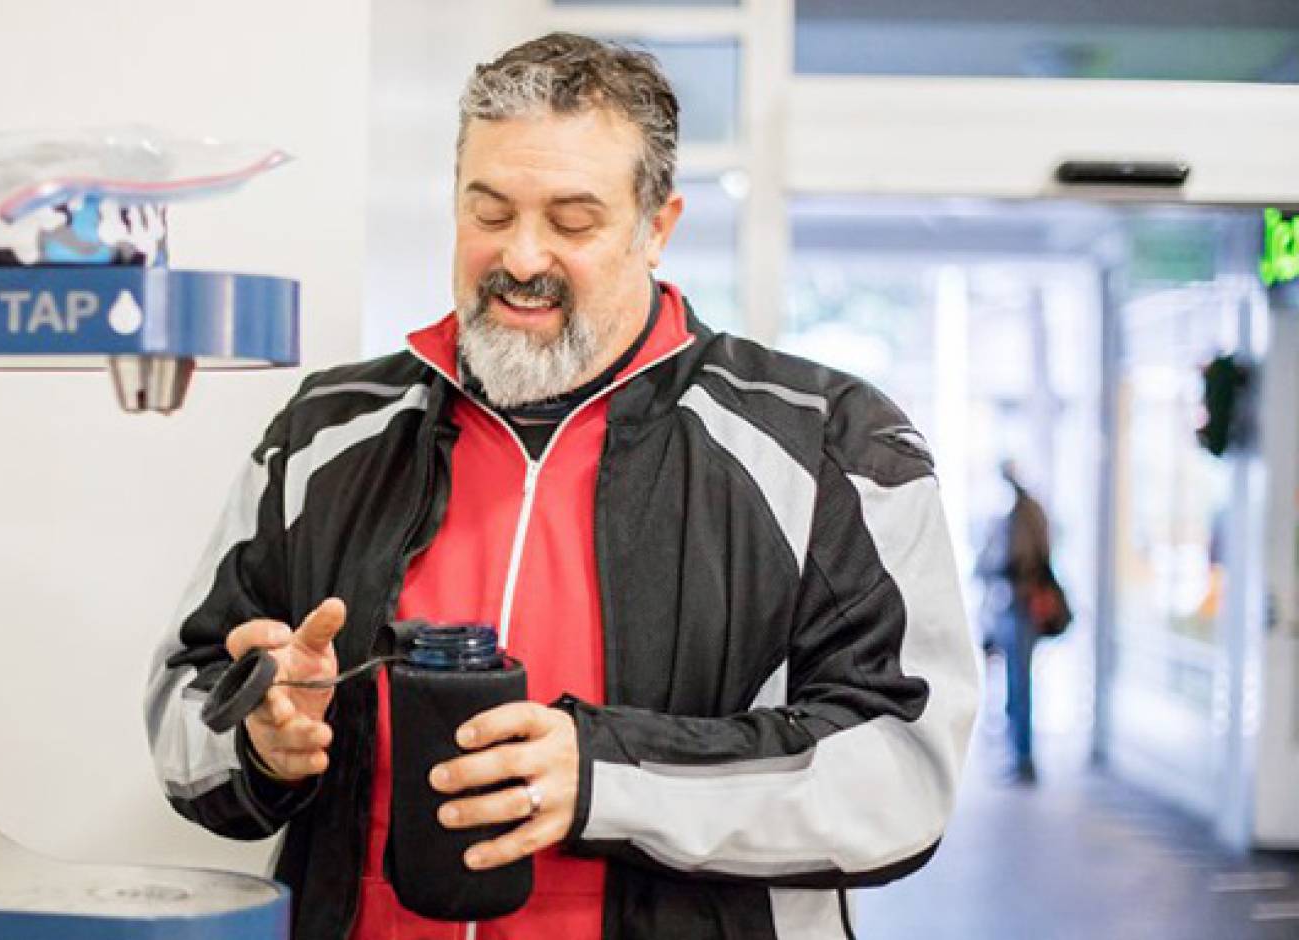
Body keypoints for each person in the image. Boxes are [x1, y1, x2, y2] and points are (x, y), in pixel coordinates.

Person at [145, 32, 980, 940]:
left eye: (573, 222)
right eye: (489, 212)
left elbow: (902, 774)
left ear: (657, 228)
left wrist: (605, 776)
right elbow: (187, 700)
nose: (522, 257)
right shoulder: (325, 431)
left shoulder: (829, 444)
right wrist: (262, 739)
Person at [975, 459, 1053, 784]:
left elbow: (1018, 559)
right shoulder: (1024, 512)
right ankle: (1019, 755)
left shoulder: (1025, 513)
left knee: (1019, 685)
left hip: (1021, 607)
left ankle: (1023, 758)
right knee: (1015, 683)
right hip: (1014, 607)